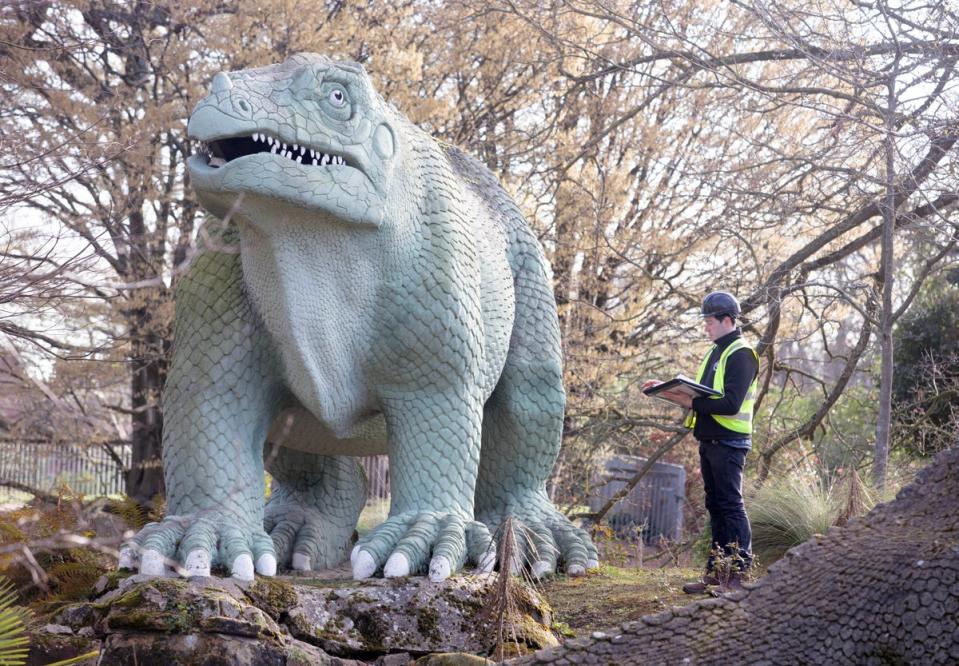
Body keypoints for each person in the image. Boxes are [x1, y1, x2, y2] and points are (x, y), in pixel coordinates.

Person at [643, 290, 759, 593]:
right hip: (710, 440)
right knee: (717, 506)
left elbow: (730, 404)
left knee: (731, 506)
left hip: (730, 442)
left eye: (709, 321)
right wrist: (667, 390)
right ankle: (717, 573)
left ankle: (737, 578)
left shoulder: (741, 353)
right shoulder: (714, 353)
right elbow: (702, 398)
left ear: (727, 320)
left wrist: (691, 402)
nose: (705, 326)